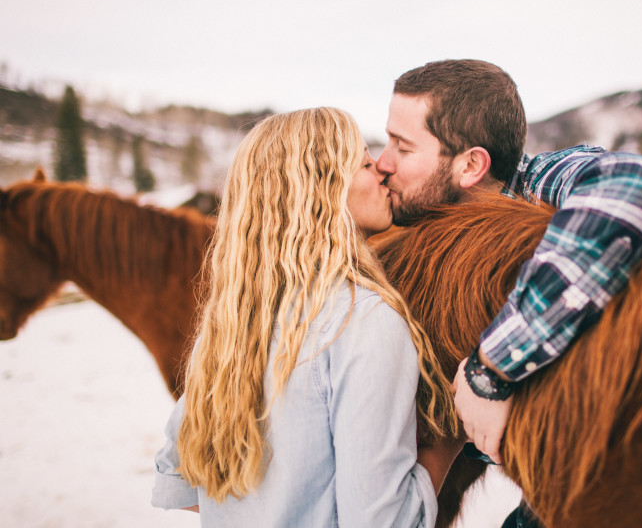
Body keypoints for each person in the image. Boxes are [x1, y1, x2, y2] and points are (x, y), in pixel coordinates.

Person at [376, 59, 642, 525]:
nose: (383, 161)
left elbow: (637, 188)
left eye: (403, 146)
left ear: (471, 164)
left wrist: (491, 370)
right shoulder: (421, 234)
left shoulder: (541, 186)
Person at [151, 108, 462, 526]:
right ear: (325, 190)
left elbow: (180, 478)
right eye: (365, 163)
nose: (382, 173)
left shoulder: (238, 319)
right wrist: (445, 445)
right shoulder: (364, 320)